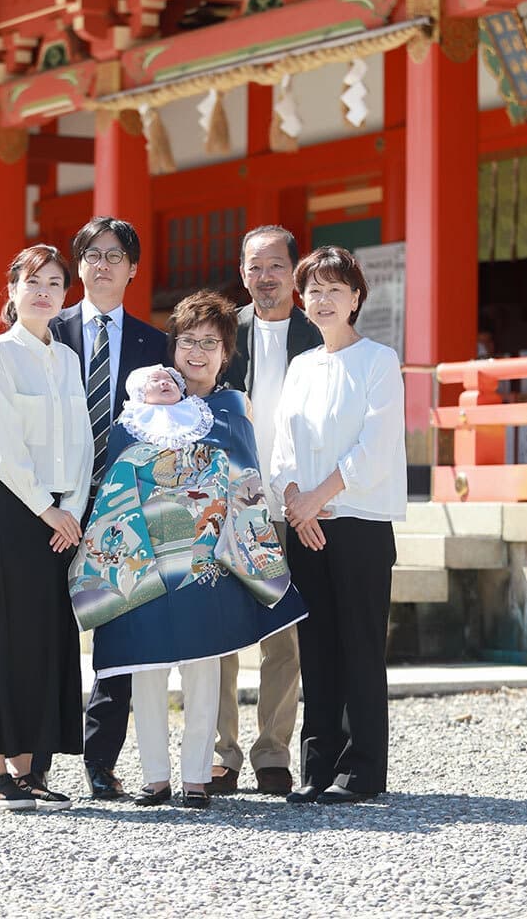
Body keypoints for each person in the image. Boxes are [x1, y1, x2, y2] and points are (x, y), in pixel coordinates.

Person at [69, 293, 307, 809]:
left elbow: (246, 478)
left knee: (205, 668)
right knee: (145, 667)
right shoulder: (137, 411)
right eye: (187, 341)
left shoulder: (229, 407)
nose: (196, 352)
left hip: (208, 560)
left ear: (226, 354)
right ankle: (155, 777)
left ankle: (197, 776)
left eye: (210, 343)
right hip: (144, 559)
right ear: (171, 347)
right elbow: (115, 483)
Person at [0, 243, 93, 811]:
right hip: (11, 511)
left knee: (49, 641)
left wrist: (73, 509)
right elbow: (0, 444)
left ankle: (32, 767)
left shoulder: (67, 359)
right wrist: (45, 507)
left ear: (66, 295)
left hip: (63, 517)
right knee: (4, 637)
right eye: (32, 281)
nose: (43, 291)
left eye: (55, 283)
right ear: (11, 290)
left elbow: (82, 441)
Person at [35, 216, 169, 800]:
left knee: (115, 634)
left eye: (116, 255)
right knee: (43, 633)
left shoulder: (153, 343)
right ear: (78, 265)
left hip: (122, 508)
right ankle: (31, 760)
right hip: (52, 506)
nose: (104, 264)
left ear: (133, 269)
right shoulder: (48, 329)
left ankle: (100, 761)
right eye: (92, 254)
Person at [271, 245, 407, 806]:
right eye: (314, 290)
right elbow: (283, 447)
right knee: (318, 648)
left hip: (358, 522)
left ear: (356, 298)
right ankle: (317, 766)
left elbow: (372, 446)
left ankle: (361, 770)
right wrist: (294, 501)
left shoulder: (379, 360)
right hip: (306, 525)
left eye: (335, 290)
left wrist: (318, 498)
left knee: (359, 645)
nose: (323, 300)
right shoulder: (302, 366)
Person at [211, 225, 322, 797]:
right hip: (232, 502)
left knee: (284, 635)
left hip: (294, 505)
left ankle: (273, 750)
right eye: (254, 267)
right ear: (243, 270)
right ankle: (222, 753)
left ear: (295, 271)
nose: (265, 277)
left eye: (276, 265)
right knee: (225, 631)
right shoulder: (226, 334)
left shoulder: (317, 334)